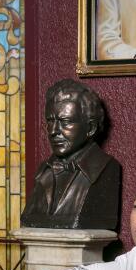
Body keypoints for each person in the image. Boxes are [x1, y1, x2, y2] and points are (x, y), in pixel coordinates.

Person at [20, 79, 121, 230]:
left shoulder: (105, 169)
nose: (53, 131)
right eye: (50, 121)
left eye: (65, 121)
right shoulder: (43, 171)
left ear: (91, 128)